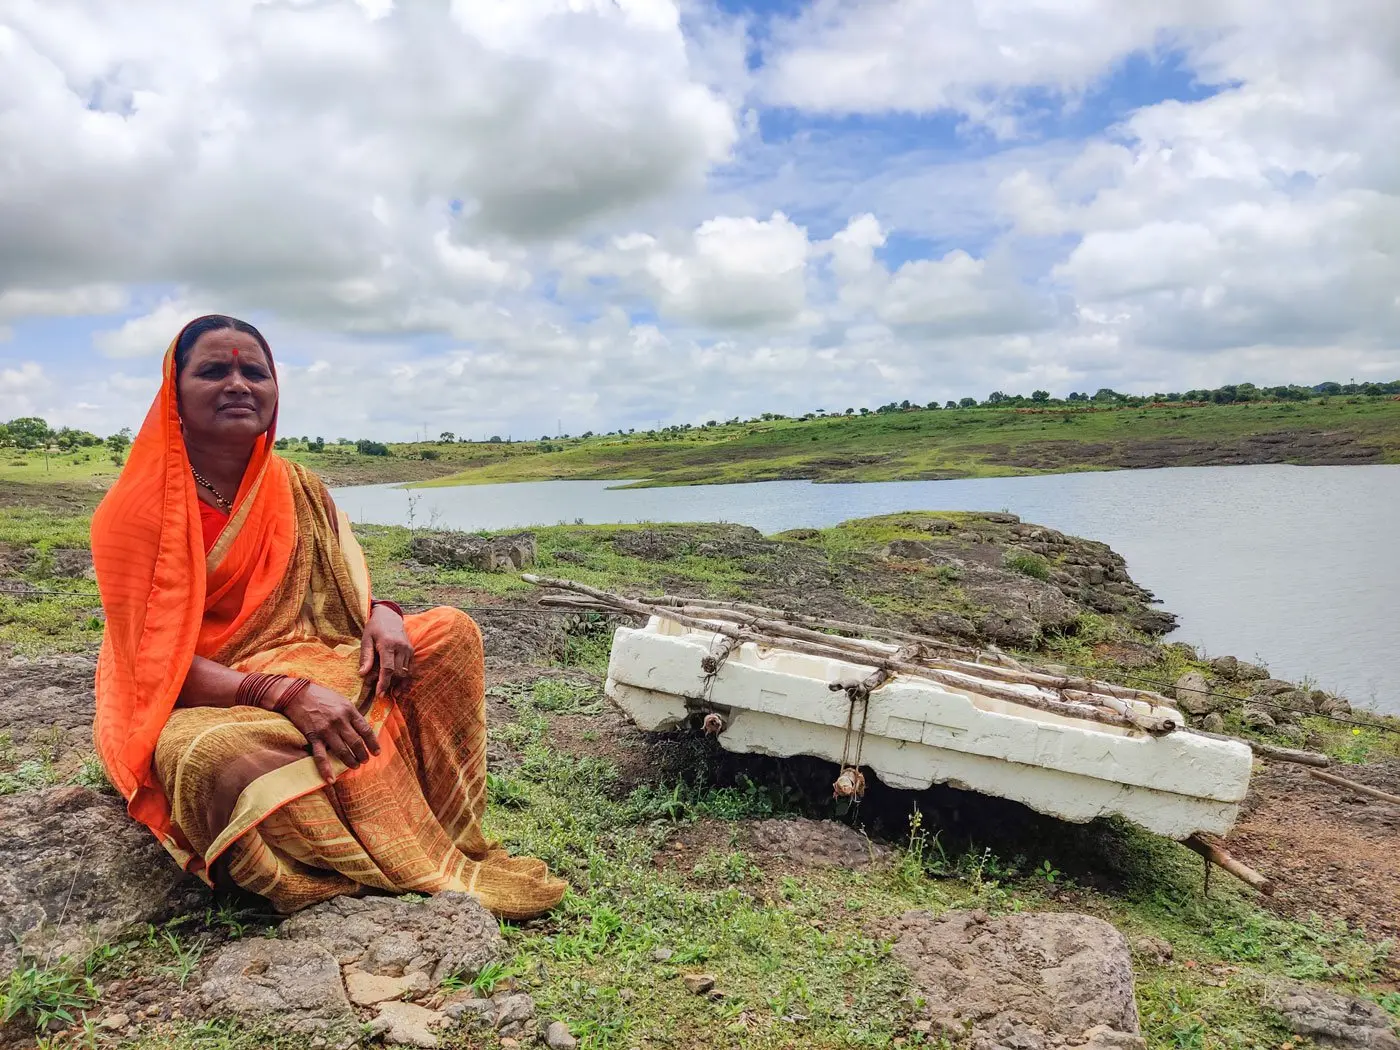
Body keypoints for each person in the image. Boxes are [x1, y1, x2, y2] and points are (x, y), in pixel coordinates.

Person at [90, 315, 566, 918]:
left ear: (274, 389)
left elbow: (342, 591)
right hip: (204, 691)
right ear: (174, 392)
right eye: (214, 370)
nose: (238, 384)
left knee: (448, 632)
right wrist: (283, 694)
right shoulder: (134, 512)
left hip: (312, 659)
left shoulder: (297, 486)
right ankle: (338, 849)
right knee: (209, 760)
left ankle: (433, 819)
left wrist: (385, 614)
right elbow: (150, 672)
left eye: (253, 371)